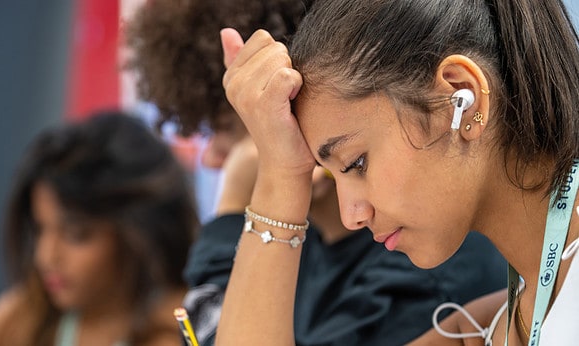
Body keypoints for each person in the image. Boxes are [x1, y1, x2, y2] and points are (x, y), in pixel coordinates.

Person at [125, 0, 506, 345]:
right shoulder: (306, 249)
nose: (211, 158)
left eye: (225, 129)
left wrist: (239, 207)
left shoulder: (428, 257)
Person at [217, 0, 579, 345]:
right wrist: (282, 170)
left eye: (356, 163)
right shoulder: (496, 323)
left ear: (461, 98)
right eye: (328, 174)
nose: (351, 216)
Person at [0, 112, 199, 345]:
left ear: (138, 234)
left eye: (76, 235)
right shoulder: (19, 321)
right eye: (40, 230)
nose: (46, 257)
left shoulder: (177, 333)